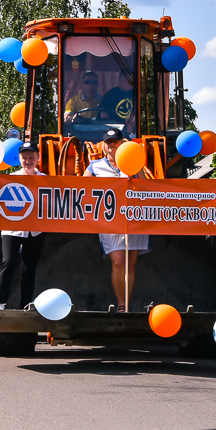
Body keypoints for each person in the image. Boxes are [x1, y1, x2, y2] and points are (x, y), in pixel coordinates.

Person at [83, 128, 149, 312]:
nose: (112, 145)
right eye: (109, 142)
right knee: (118, 261)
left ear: (122, 143)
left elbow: (146, 189)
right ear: (104, 146)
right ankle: (121, 305)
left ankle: (127, 304)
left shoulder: (134, 163)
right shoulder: (95, 166)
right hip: (109, 221)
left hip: (134, 219)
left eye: (116, 141)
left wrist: (137, 166)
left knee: (131, 264)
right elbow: (80, 188)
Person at [0, 142, 46, 310]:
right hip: (12, 228)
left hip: (36, 230)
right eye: (25, 158)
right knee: (8, 262)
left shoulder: (46, 180)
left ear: (38, 158)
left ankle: (25, 304)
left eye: (32, 157)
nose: (28, 161)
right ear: (19, 159)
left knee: (29, 268)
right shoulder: (10, 178)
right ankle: (0, 302)